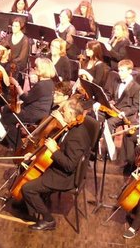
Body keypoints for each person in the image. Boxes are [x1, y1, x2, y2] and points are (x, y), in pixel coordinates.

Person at [18, 96, 97, 231]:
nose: (61, 113)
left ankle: (48, 220)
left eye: (64, 111)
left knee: (27, 189)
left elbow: (69, 165)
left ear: (72, 114)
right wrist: (34, 157)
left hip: (64, 177)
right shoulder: (73, 126)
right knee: (26, 168)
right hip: (59, 169)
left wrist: (54, 150)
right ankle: (32, 204)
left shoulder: (76, 136)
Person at [18, 57, 56, 124]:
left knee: (8, 115)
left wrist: (17, 86)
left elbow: (26, 98)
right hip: (42, 114)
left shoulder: (41, 85)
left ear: (43, 70)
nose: (35, 68)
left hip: (34, 115)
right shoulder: (50, 82)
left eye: (37, 67)